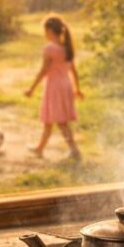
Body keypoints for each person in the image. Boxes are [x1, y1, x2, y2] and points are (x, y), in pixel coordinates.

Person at [25, 14, 84, 161]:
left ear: (50, 31)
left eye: (45, 31)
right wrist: (77, 88)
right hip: (65, 86)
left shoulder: (50, 48)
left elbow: (44, 70)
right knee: (48, 121)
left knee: (61, 122)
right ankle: (40, 149)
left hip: (55, 87)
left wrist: (32, 88)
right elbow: (73, 71)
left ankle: (74, 150)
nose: (44, 34)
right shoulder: (66, 48)